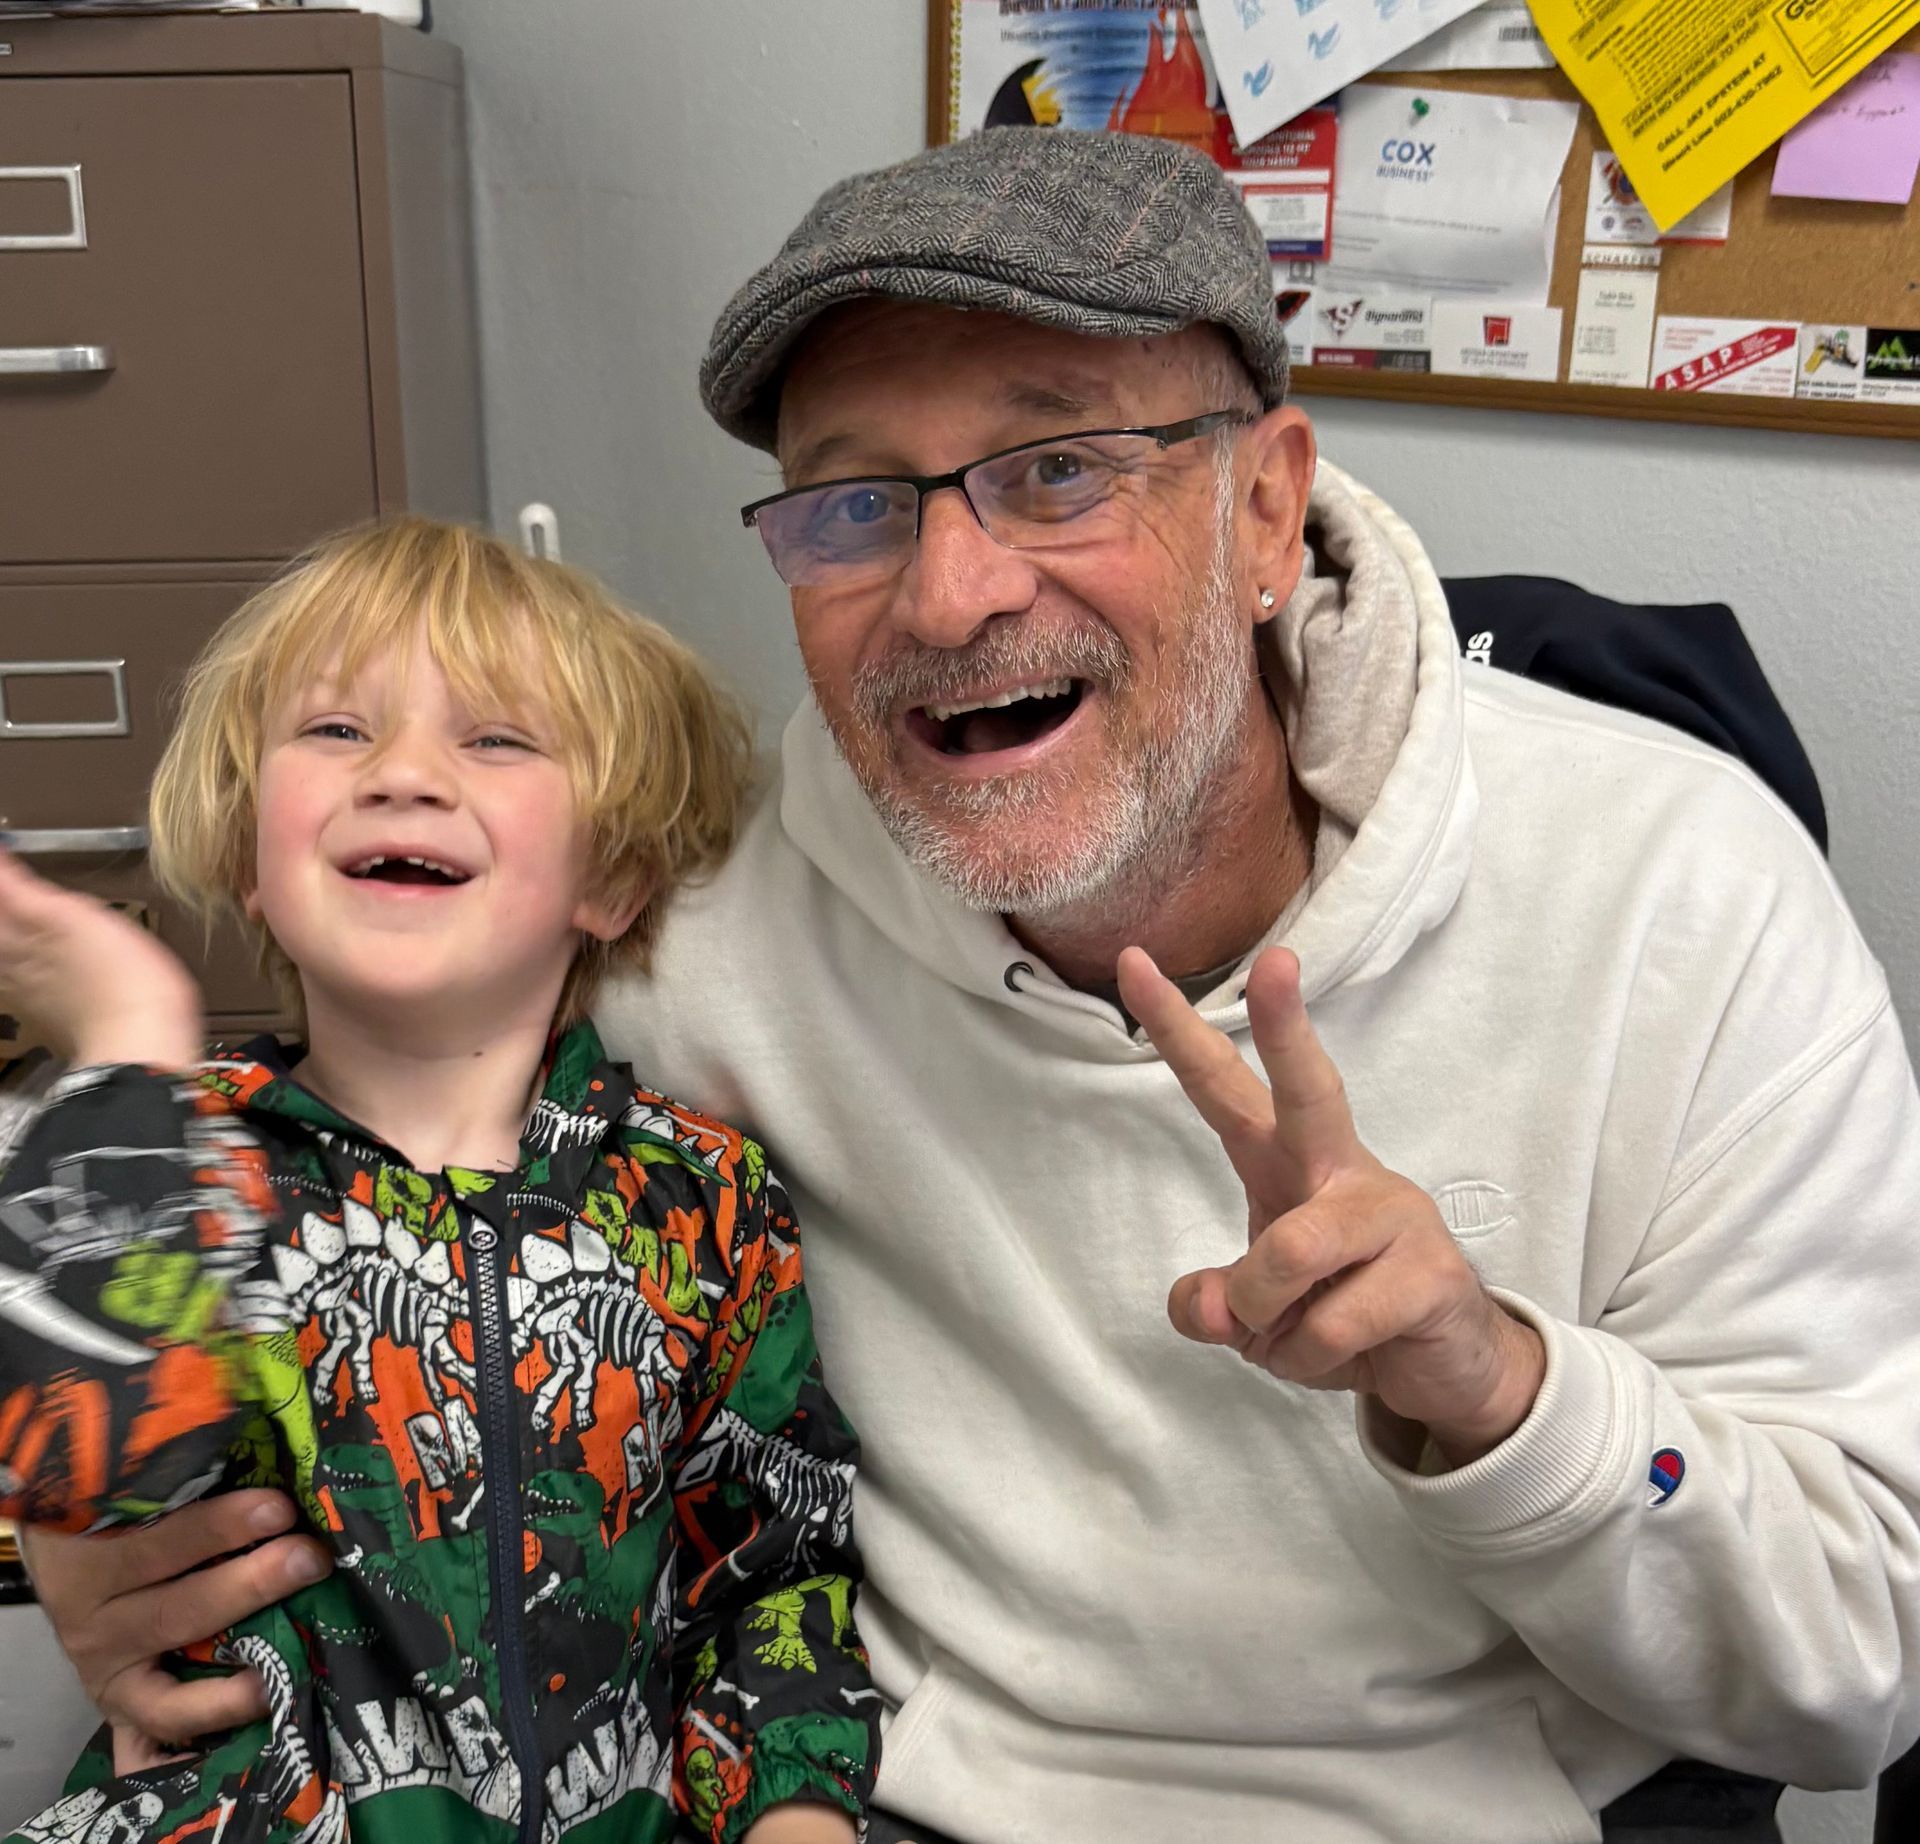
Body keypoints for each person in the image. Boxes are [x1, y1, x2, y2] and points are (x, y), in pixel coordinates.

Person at [20, 129, 1920, 1844]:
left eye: (1058, 467)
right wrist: (98, 1530)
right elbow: (374, 1202)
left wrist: (1498, 1396)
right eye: (852, 503)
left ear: (1268, 510)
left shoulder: (1676, 891)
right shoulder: (699, 927)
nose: (946, 596)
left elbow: (1857, 1677)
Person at [0, 519, 876, 1844]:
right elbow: (90, 1463)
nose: (402, 774)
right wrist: (126, 1045)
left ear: (614, 877)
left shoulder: (701, 1198)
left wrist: (795, 1816)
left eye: (497, 739)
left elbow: (772, 1576)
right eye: (337, 730)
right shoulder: (176, 1155)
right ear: (249, 853)